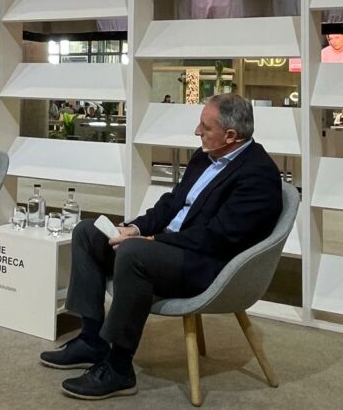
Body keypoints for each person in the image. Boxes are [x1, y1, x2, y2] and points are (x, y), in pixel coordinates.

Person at [40, 93, 282, 401]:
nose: (197, 131)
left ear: (231, 135)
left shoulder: (258, 174)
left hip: (205, 263)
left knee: (134, 253)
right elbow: (171, 204)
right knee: (87, 232)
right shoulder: (205, 157)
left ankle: (119, 368)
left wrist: (151, 241)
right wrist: (135, 228)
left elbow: (217, 237)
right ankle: (91, 341)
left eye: (205, 127)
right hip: (170, 245)